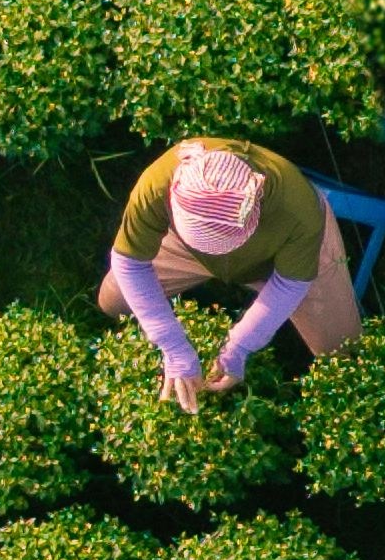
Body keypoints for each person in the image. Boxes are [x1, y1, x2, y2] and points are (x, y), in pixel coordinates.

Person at [101, 138, 355, 411]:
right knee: (114, 301)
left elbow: (290, 284)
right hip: (187, 249)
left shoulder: (298, 209)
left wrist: (239, 348)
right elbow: (130, 264)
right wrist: (172, 345)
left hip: (278, 257)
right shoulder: (157, 182)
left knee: (344, 356)